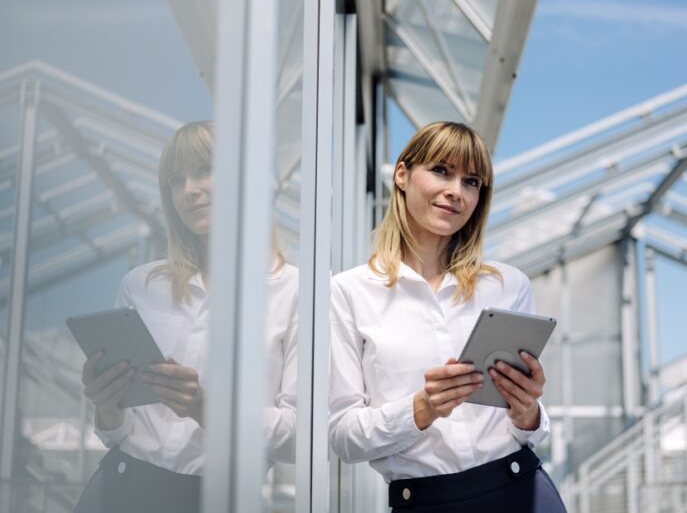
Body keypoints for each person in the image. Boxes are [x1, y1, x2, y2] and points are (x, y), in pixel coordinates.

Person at [329, 122, 567, 512]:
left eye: (471, 181)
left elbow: (530, 429)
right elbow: (343, 437)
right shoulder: (348, 293)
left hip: (522, 491)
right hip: (425, 502)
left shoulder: (509, 286)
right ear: (402, 175)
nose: (456, 191)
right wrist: (421, 408)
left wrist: (528, 410)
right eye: (441, 170)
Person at [75, 121, 298, 513]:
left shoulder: (295, 292)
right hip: (119, 488)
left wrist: (204, 408)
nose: (188, 191)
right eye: (175, 181)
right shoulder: (142, 285)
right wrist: (107, 404)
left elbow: (300, 439)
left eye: (204, 171)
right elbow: (119, 430)